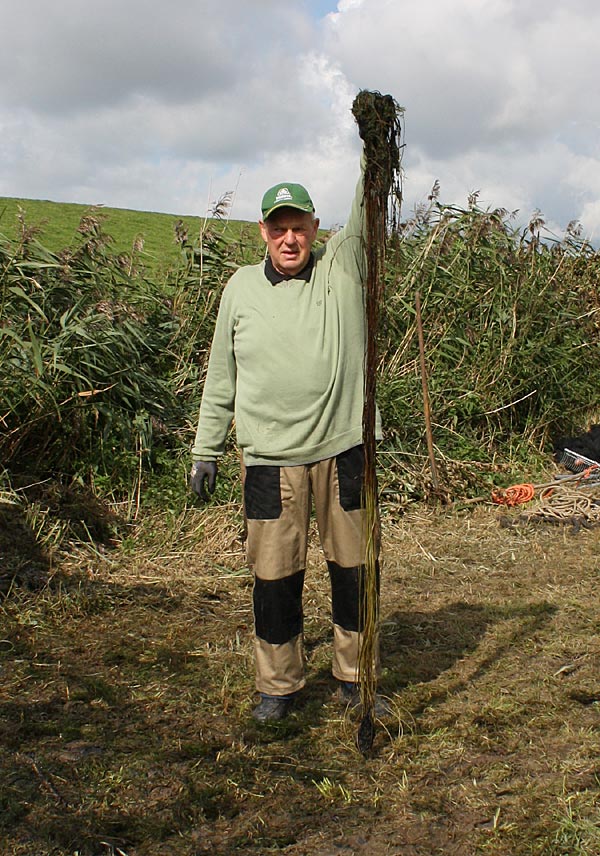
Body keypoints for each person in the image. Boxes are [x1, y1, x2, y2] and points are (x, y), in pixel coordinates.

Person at [190, 134, 385, 723]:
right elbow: (220, 376)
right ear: (263, 232)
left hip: (343, 449)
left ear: (315, 227)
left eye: (299, 226)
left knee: (354, 571)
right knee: (274, 579)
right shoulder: (239, 289)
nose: (290, 238)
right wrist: (206, 450)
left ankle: (355, 674)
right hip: (269, 459)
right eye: (279, 229)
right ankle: (279, 685)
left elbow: (367, 208)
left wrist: (373, 148)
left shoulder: (342, 267)